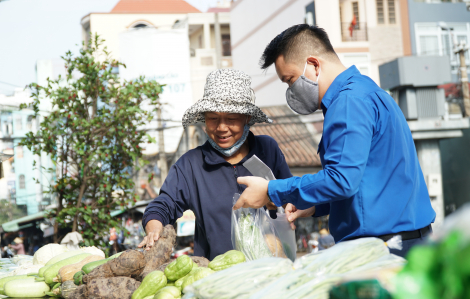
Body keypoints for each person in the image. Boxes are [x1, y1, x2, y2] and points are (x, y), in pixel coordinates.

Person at [232, 25, 435, 258]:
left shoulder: (348, 102)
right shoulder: (367, 91)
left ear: (314, 64)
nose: (291, 91)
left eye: (290, 80)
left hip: (384, 250)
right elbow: (365, 185)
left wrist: (271, 189)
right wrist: (314, 205)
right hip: (403, 243)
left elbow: (342, 180)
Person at [139, 69, 292, 260]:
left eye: (231, 118)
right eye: (213, 118)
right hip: (217, 277)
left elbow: (291, 195)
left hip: (274, 272)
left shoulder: (267, 150)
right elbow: (163, 205)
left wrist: (276, 201)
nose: (221, 127)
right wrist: (154, 228)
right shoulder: (191, 165)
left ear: (247, 119)